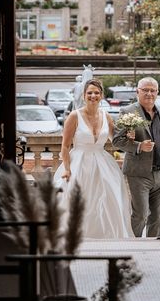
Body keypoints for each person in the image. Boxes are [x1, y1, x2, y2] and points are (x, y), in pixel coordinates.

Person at [53, 79, 134, 239]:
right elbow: (64, 146)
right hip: (79, 163)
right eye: (89, 92)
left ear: (101, 96)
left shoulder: (107, 116)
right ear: (84, 96)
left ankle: (107, 235)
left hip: (103, 163)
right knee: (79, 200)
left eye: (96, 93)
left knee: (107, 199)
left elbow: (115, 141)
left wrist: (129, 137)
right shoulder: (74, 116)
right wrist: (67, 169)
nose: (93, 95)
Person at [112, 77, 160, 238]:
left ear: (157, 93)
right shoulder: (127, 112)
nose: (149, 94)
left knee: (157, 217)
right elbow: (117, 141)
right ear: (137, 92)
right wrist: (139, 146)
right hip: (139, 174)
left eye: (152, 90)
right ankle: (133, 248)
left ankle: (155, 250)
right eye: (145, 90)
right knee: (140, 215)